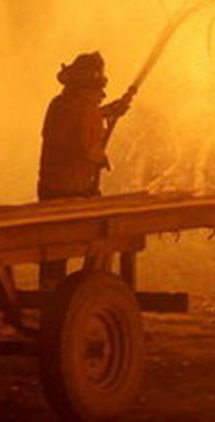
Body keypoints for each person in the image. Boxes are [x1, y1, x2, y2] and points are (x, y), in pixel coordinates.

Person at [37, 51, 132, 288]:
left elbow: (76, 121)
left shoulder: (58, 104)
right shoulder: (86, 110)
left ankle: (50, 290)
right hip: (75, 192)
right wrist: (102, 157)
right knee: (105, 236)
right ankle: (93, 284)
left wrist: (109, 111)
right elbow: (88, 149)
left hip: (49, 189)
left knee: (54, 250)